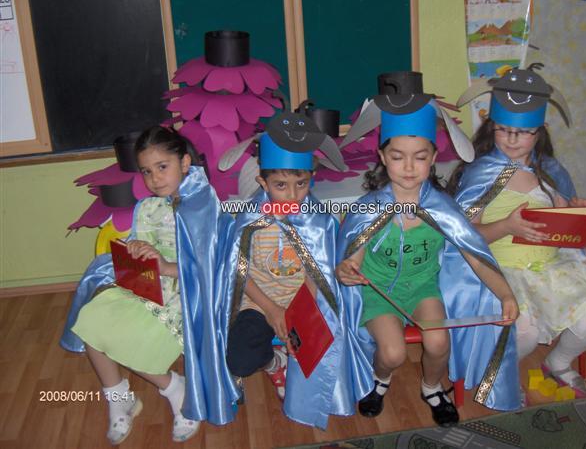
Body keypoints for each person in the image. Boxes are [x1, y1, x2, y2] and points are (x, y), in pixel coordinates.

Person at [336, 71, 521, 427]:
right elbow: (352, 258)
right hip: (377, 292)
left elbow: (476, 256)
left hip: (423, 288)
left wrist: (506, 294)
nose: (408, 167)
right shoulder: (368, 209)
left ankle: (432, 387)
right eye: (398, 156)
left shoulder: (443, 209)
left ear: (434, 157)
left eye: (419, 157)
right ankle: (380, 380)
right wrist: (347, 270)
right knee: (392, 353)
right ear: (382, 156)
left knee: (438, 344)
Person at [60, 126, 236, 444]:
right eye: (146, 171)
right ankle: (119, 398)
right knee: (90, 321)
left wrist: (165, 266)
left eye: (162, 166)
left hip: (188, 297)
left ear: (184, 162)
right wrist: (137, 250)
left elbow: (211, 269)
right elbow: (143, 249)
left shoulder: (204, 208)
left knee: (136, 342)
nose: (155, 178)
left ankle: (175, 389)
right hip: (148, 287)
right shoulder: (148, 208)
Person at [451, 66, 586, 399]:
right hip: (498, 269)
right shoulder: (481, 173)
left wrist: (580, 212)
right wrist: (506, 226)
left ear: (540, 132)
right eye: (504, 130)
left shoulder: (548, 170)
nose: (512, 140)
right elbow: (464, 238)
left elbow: (563, 218)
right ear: (491, 127)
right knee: (523, 330)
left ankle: (558, 362)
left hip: (550, 266)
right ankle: (500, 373)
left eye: (522, 132)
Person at [219, 101, 370, 430]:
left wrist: (297, 314)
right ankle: (275, 364)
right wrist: (273, 310)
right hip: (259, 302)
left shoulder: (319, 221)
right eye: (280, 186)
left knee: (323, 349)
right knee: (240, 360)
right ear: (263, 183)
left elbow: (320, 273)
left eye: (301, 184)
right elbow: (237, 273)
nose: (292, 195)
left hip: (304, 300)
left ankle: (299, 370)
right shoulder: (247, 222)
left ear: (311, 179)